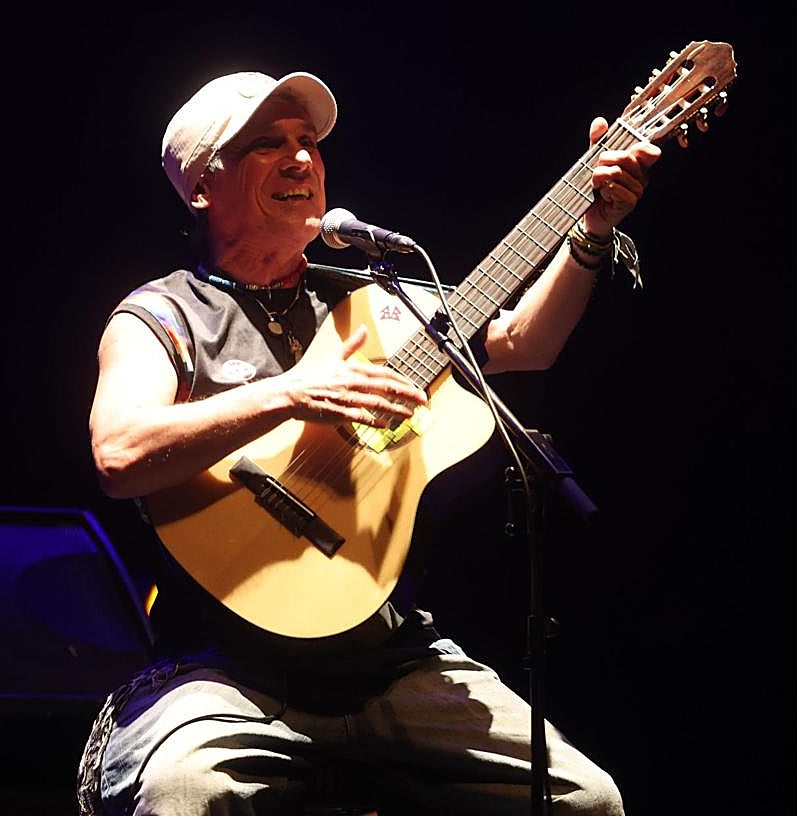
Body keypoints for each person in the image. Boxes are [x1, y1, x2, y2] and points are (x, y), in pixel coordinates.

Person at [77, 68, 659, 816]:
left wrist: (591, 232)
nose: (301, 159)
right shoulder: (161, 316)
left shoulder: (376, 302)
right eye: (267, 145)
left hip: (389, 656)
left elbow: (521, 341)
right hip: (223, 666)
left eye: (308, 142)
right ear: (201, 187)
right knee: (186, 791)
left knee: (586, 802)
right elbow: (119, 453)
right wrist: (290, 393)